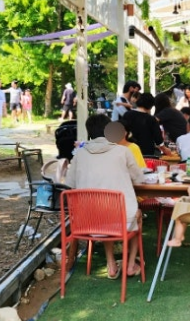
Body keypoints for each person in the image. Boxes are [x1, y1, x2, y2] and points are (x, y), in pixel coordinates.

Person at [64, 115, 146, 278]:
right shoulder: (123, 151)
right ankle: (130, 265)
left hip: (87, 221)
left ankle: (111, 264)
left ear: (89, 133)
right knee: (136, 215)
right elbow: (139, 179)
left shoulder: (79, 154)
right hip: (120, 219)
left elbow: (70, 185)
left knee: (104, 215)